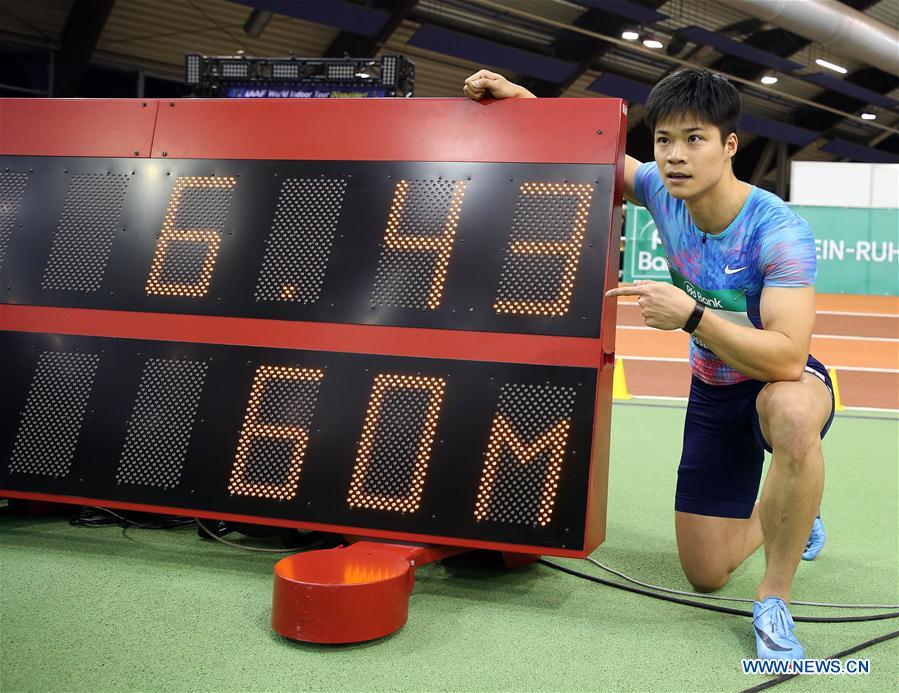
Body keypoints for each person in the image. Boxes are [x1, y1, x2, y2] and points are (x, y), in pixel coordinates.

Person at [463, 68, 834, 661]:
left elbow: (788, 356)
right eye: (664, 140)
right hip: (713, 391)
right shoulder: (664, 192)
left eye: (694, 139)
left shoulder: (779, 231)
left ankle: (774, 599)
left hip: (778, 380)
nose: (675, 156)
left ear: (729, 145)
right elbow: (580, 140)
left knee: (790, 411)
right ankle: (796, 508)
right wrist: (520, 98)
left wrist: (692, 318)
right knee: (706, 572)